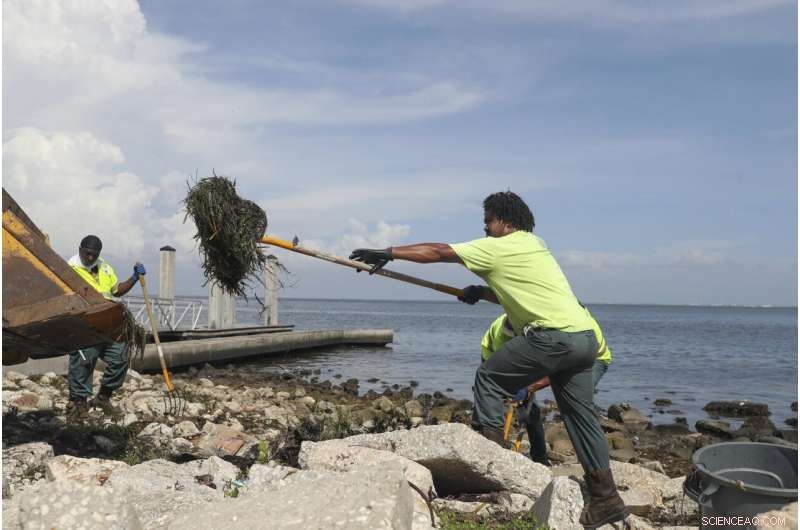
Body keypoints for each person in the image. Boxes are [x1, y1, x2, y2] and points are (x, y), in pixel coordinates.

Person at [350, 191, 627, 527]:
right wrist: (479, 293)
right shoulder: (536, 247)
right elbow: (517, 292)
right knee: (580, 417)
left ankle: (491, 467)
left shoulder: (500, 245)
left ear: (504, 223)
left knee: (490, 377)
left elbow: (440, 252)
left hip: (553, 337)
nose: (485, 230)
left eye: (488, 223)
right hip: (587, 340)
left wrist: (389, 253)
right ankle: (606, 499)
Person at [481, 306, 613, 466]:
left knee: (575, 407)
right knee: (499, 403)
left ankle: (594, 464)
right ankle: (490, 450)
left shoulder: (569, 324)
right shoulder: (506, 329)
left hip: (593, 359)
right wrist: (512, 384)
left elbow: (557, 371)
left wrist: (528, 387)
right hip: (491, 356)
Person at [66, 235, 145, 417]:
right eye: (87, 253)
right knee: (84, 359)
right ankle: (78, 403)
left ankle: (103, 397)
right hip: (84, 324)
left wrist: (134, 278)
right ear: (80, 249)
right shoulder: (70, 269)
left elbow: (116, 290)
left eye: (95, 254)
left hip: (108, 324)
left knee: (121, 356)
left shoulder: (105, 267)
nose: (91, 257)